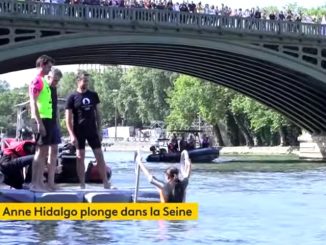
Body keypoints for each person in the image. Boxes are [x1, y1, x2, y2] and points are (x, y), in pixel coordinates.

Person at [65, 70, 110, 189]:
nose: (86, 83)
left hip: (92, 130)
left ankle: (105, 182)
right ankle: (82, 184)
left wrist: (100, 130)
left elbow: (98, 114)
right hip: (78, 131)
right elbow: (68, 119)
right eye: (84, 80)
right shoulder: (72, 97)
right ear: (78, 81)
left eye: (87, 81)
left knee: (99, 156)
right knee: (80, 157)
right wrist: (71, 135)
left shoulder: (93, 95)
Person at [29, 54, 55, 191]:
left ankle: (39, 182)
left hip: (47, 119)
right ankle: (35, 183)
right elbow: (33, 102)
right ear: (42, 65)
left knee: (43, 152)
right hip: (41, 119)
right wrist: (39, 122)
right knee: (39, 153)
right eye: (49, 67)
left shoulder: (44, 81)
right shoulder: (37, 81)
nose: (50, 70)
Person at [46, 68, 63, 191]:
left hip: (53, 123)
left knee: (54, 152)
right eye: (54, 80)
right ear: (49, 77)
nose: (55, 83)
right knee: (42, 153)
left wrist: (57, 124)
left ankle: (51, 181)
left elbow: (55, 108)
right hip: (44, 122)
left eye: (57, 81)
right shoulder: (43, 88)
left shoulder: (54, 89)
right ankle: (41, 180)